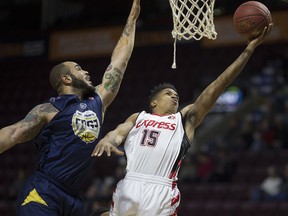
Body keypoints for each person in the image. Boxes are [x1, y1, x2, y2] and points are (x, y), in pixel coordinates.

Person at [92, 23, 273, 215]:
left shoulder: (184, 118)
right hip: (131, 183)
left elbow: (217, 86)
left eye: (176, 94)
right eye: (168, 93)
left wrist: (248, 50)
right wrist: (107, 140)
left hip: (161, 188)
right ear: (153, 102)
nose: (174, 96)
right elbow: (117, 133)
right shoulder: (139, 117)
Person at [0, 0, 140, 215]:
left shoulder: (97, 100)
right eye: (78, 68)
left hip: (74, 198)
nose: (85, 72)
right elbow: (13, 133)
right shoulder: (49, 109)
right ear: (66, 78)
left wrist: (131, 21)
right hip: (43, 191)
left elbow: (119, 62)